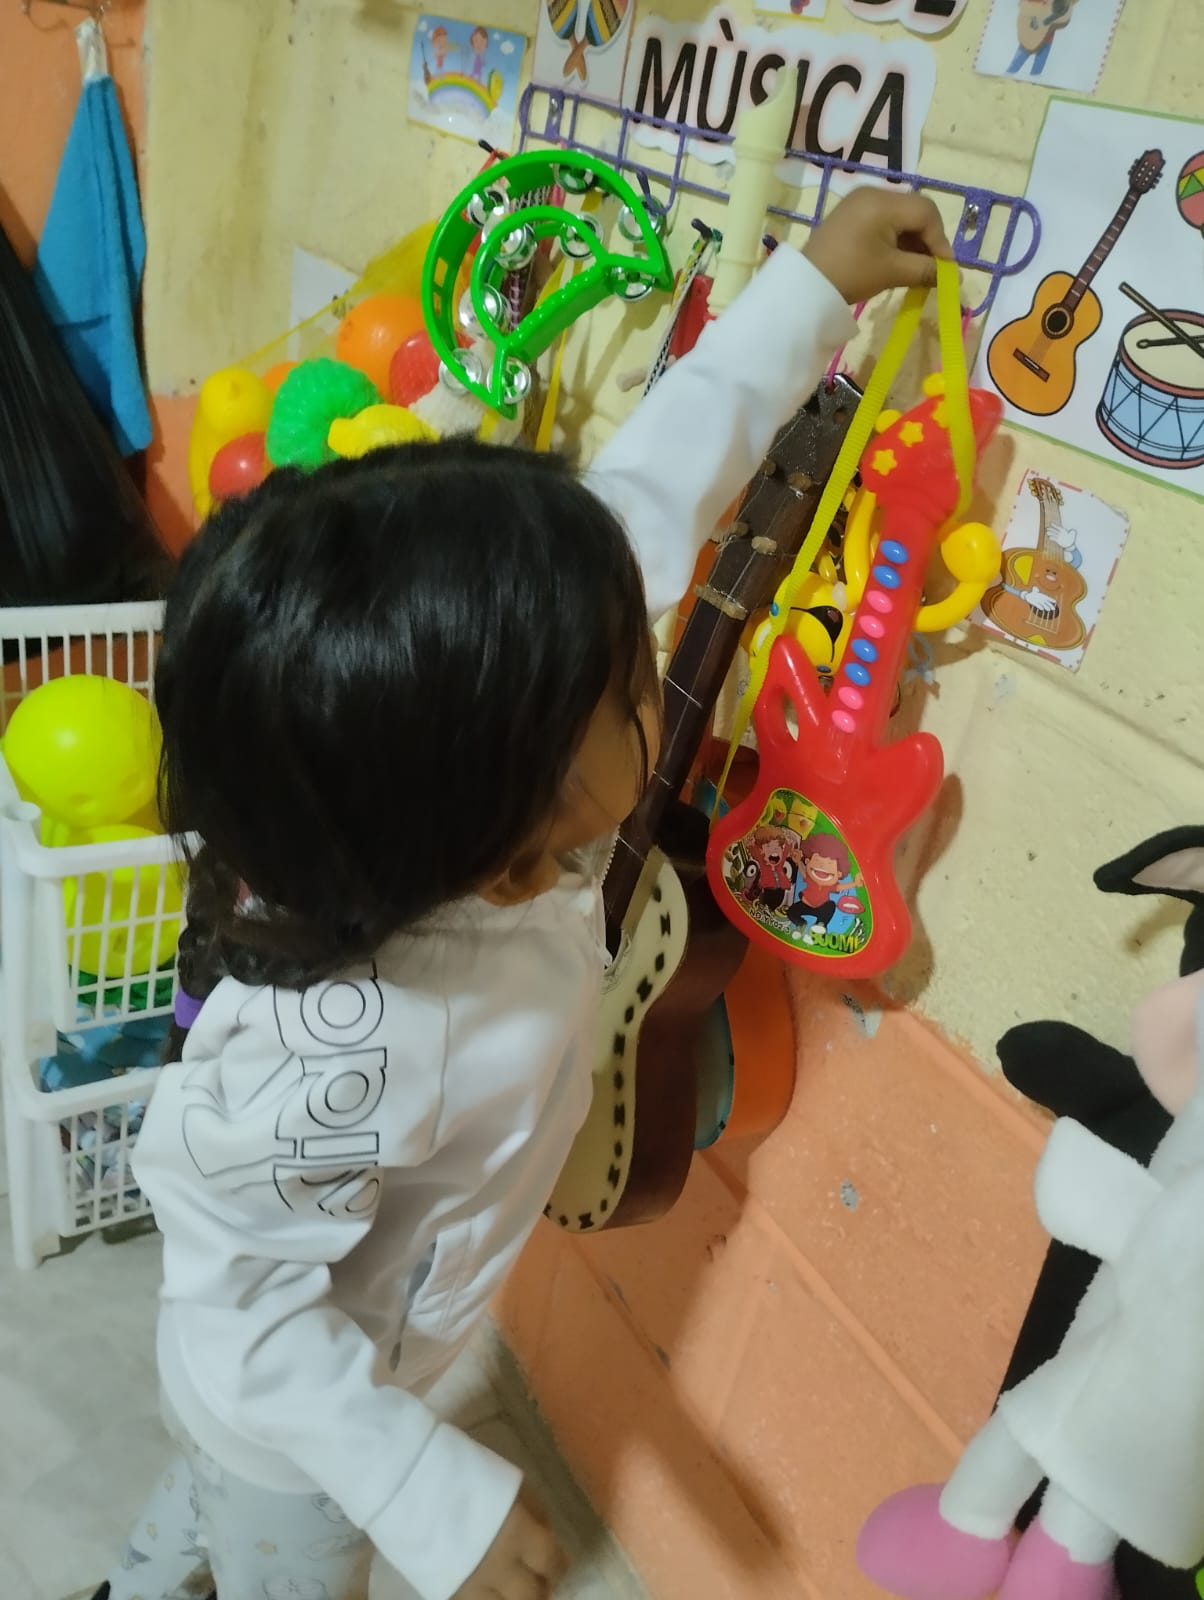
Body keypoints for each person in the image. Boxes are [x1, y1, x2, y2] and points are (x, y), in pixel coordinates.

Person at [93, 187, 953, 1600]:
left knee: (181, 1513)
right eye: (631, 687)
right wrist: (423, 1492)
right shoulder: (354, 1041)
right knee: (248, 1536)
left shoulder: (475, 765)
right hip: (300, 1437)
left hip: (344, 1373)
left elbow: (648, 501)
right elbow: (244, 1311)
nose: (647, 663)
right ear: (507, 853)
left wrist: (813, 289)